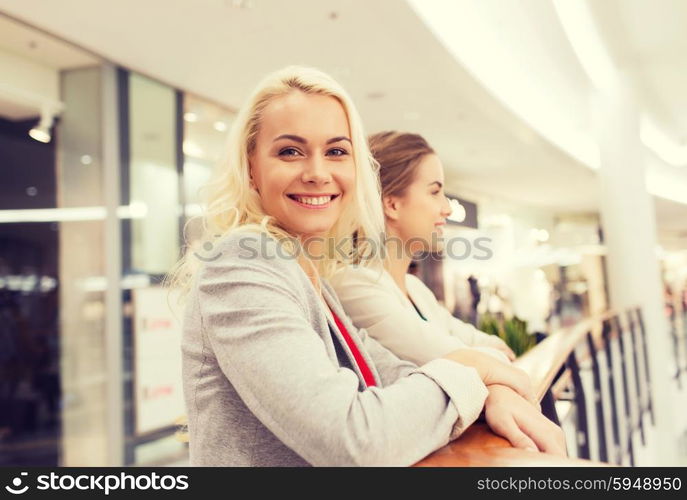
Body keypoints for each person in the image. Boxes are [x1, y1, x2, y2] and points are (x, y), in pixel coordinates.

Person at [172, 67, 564, 466]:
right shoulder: (242, 261)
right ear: (251, 169)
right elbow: (352, 438)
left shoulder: (309, 276)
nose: (317, 173)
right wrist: (475, 370)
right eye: (290, 151)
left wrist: (488, 386)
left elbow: (392, 372)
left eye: (337, 152)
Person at [332, 131, 563, 450]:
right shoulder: (356, 284)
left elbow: (486, 348)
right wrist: (486, 369)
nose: (447, 209)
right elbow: (451, 360)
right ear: (392, 203)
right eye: (435, 192)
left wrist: (484, 366)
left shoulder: (415, 287)